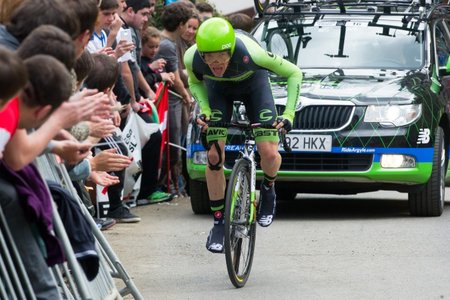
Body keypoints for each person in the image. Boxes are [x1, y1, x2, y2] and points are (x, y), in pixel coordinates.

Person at [184, 17, 303, 253]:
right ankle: (219, 221)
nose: (216, 65)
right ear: (202, 54)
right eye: (210, 61)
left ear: (230, 51)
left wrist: (288, 114)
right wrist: (205, 111)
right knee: (214, 157)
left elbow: (294, 73)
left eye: (221, 60)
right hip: (218, 91)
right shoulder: (191, 57)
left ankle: (268, 188)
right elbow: (194, 82)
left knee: (268, 151)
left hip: (254, 87)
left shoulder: (252, 52)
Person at [153, 1, 192, 195]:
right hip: (171, 100)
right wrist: (187, 95)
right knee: (174, 144)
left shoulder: (162, 39)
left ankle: (171, 185)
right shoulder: (167, 44)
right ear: (180, 24)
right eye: (187, 23)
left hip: (166, 99)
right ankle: (168, 186)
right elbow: (175, 77)